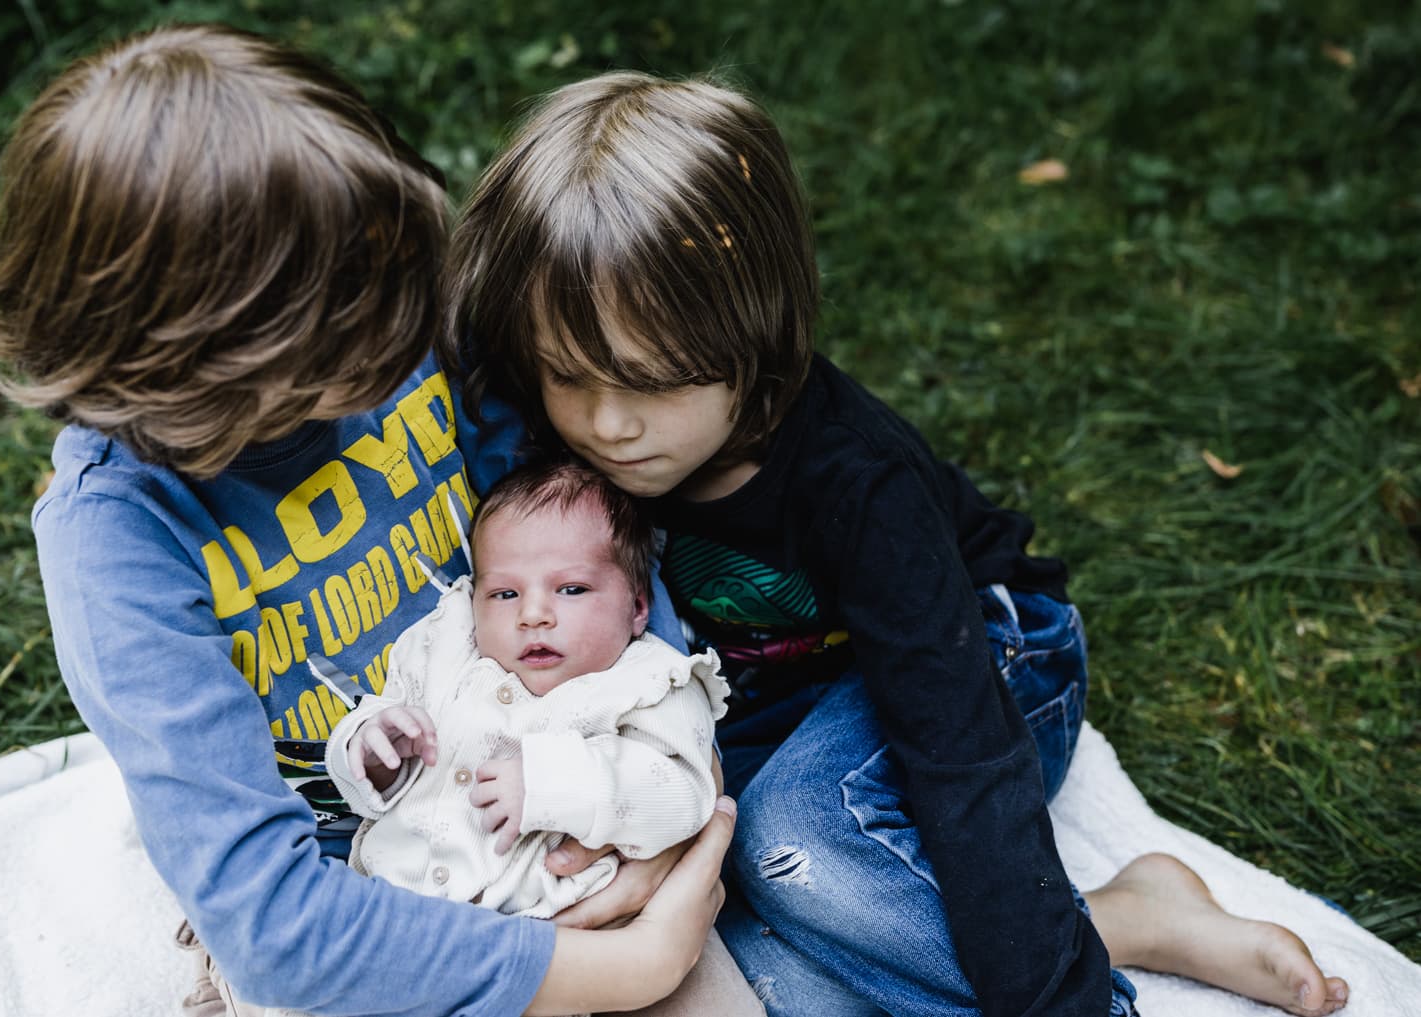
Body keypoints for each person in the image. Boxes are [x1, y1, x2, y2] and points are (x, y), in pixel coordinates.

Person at [443, 71, 1352, 1017]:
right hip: (789, 703)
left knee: (792, 839)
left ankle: (1093, 967)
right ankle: (1134, 916)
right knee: (751, 948)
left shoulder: (859, 486)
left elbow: (962, 755)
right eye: (567, 376)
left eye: (650, 381)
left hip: (992, 657)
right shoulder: (567, 425)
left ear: (755, 329)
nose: (606, 424)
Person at [0, 27, 741, 1017]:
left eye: (394, 286)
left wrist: (669, 771)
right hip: (382, 917)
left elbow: (592, 541)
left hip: (572, 792)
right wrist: (626, 965)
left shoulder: (396, 325)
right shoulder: (118, 539)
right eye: (352, 317)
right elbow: (281, 931)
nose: (409, 324)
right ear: (214, 357)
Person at [326, 458, 728, 920]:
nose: (533, 614)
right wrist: (371, 755)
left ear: (637, 607)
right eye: (505, 594)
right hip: (388, 914)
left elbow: (685, 795)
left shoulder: (651, 680)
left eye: (571, 589)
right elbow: (376, 770)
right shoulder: (446, 649)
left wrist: (554, 783)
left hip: (563, 931)